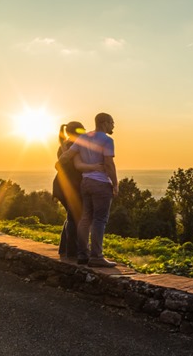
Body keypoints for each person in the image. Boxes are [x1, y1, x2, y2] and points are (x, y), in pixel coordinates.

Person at [59, 113, 118, 268]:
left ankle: (82, 255)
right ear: (104, 123)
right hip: (100, 183)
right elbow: (109, 164)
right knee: (99, 220)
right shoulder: (107, 140)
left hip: (85, 183)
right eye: (112, 122)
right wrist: (116, 184)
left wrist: (63, 152)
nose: (113, 125)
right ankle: (97, 256)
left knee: (85, 219)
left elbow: (64, 159)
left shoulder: (83, 138)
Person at [53, 122, 103, 258]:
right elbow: (77, 167)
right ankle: (72, 252)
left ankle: (64, 249)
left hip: (61, 186)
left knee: (72, 217)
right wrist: (96, 167)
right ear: (77, 131)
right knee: (76, 218)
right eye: (82, 130)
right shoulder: (73, 146)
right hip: (71, 187)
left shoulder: (65, 145)